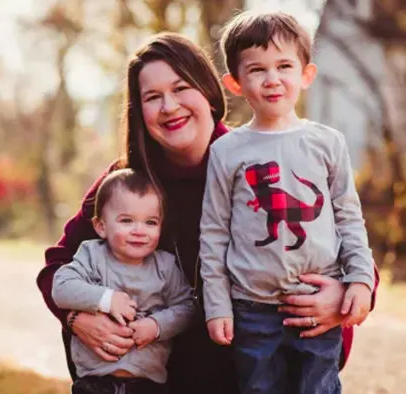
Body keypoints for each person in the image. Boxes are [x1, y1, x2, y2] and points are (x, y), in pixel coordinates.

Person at [35, 31, 379, 394]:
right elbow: (57, 266)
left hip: (252, 368)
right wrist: (76, 318)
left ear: (209, 91)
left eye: (181, 88)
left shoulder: (255, 158)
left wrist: (343, 294)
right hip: (161, 378)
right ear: (140, 112)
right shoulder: (128, 185)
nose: (169, 107)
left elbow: (341, 229)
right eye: (152, 97)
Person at [199, 11, 375, 394]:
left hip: (315, 302)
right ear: (235, 83)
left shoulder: (327, 143)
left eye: (284, 66)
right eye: (257, 69)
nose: (272, 79)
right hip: (251, 309)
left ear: (305, 75)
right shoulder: (227, 151)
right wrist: (218, 305)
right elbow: (213, 232)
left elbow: (348, 216)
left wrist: (360, 279)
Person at [52, 168, 197, 394]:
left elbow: (188, 307)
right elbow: (61, 287)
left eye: (150, 222)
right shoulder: (92, 255)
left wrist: (157, 326)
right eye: (127, 221)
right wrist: (105, 299)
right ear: (101, 227)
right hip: (95, 383)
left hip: (148, 383)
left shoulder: (165, 266)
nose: (139, 231)